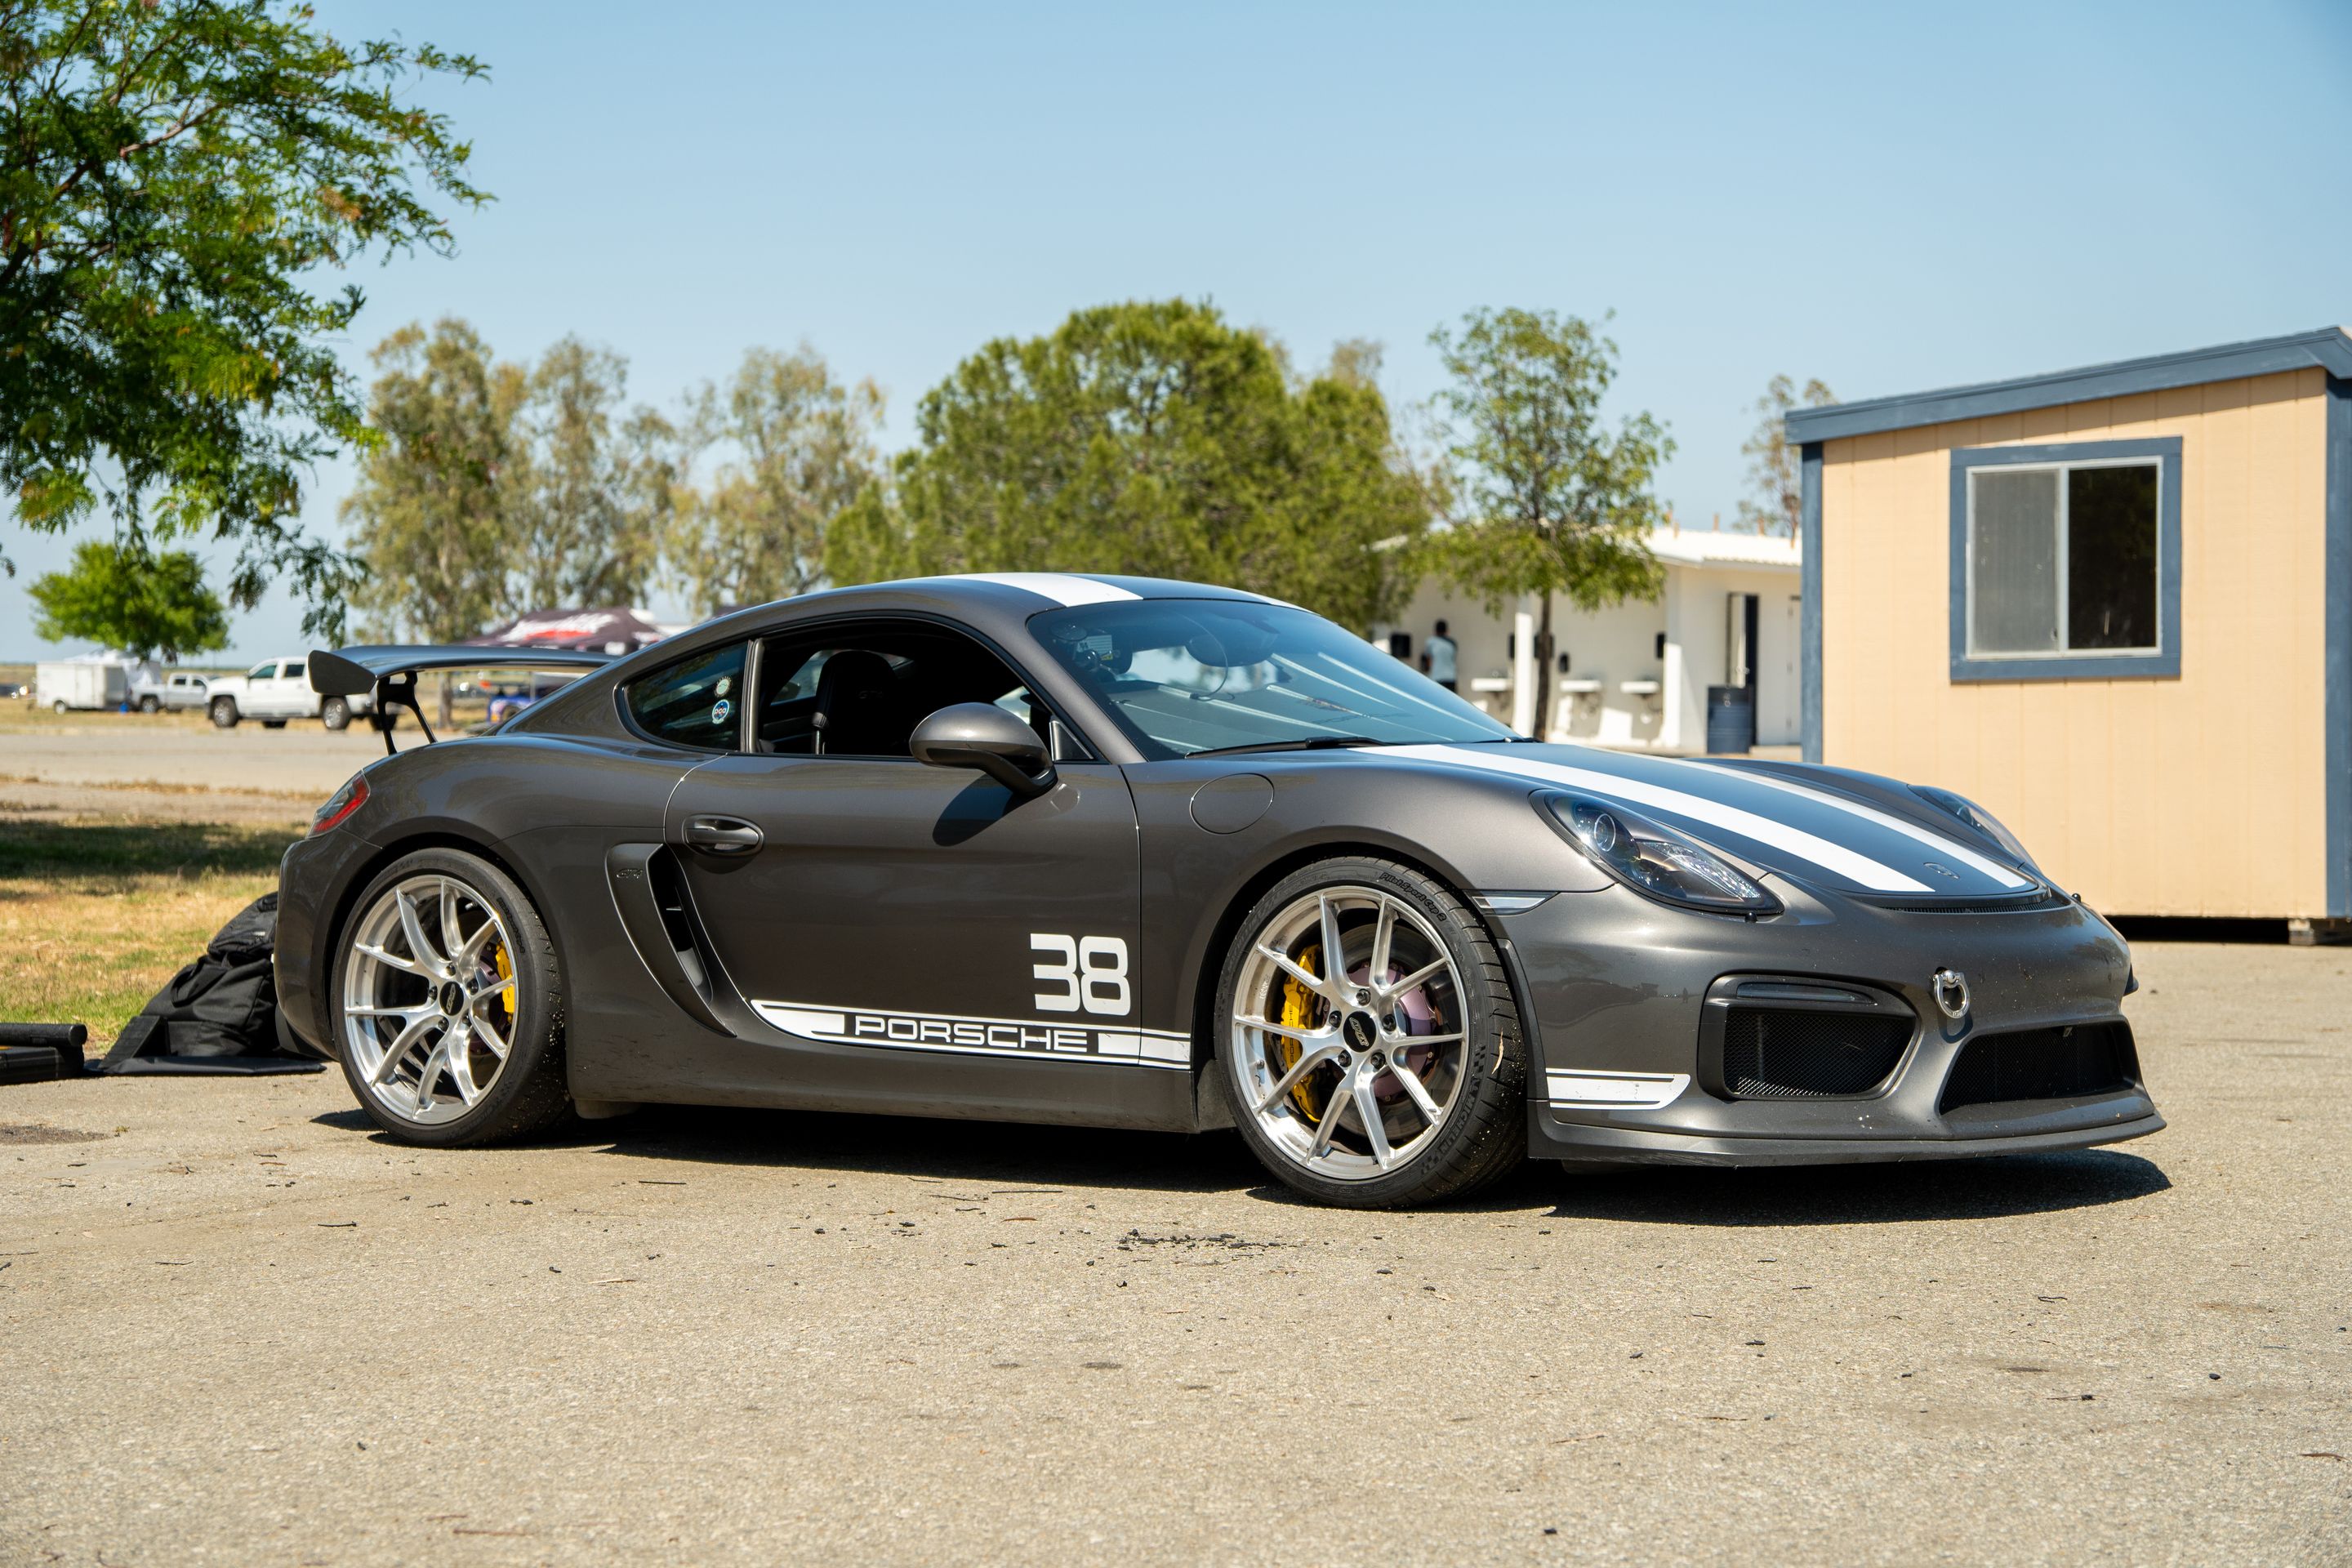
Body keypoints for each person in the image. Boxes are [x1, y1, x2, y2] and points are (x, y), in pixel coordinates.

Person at [1425, 620, 1458, 692]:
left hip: (1437, 677)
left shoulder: (1431, 641)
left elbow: (1429, 660)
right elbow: (1453, 659)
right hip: (1451, 677)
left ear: (1435, 630)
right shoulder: (1452, 643)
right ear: (1447, 631)